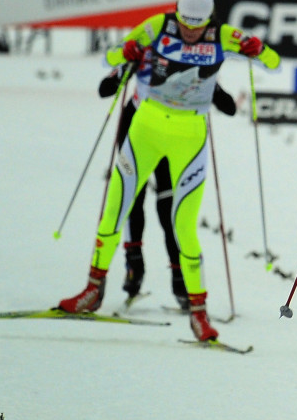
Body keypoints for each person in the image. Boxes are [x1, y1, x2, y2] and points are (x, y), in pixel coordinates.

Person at [57, 0, 280, 341]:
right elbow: (110, 57)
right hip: (145, 128)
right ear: (176, 14)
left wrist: (257, 49)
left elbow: (274, 63)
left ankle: (198, 314)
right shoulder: (158, 26)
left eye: (198, 25)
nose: (191, 33)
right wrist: (128, 50)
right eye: (185, 24)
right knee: (114, 210)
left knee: (184, 226)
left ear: (210, 18)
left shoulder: (223, 35)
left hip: (189, 137)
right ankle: (93, 290)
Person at [98, 63, 239, 311]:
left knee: (169, 208)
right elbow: (105, 89)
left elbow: (229, 107)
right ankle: (134, 268)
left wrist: (212, 88)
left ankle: (179, 279)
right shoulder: (145, 48)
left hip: (174, 131)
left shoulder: (191, 57)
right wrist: (125, 68)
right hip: (137, 125)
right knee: (131, 200)